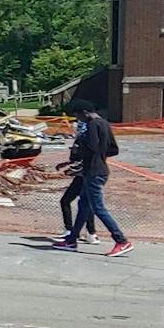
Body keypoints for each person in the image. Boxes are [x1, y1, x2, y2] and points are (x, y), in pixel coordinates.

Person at [52, 100, 132, 256]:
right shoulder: (104, 123)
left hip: (93, 172)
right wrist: (99, 156)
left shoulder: (92, 125)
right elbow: (113, 149)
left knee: (98, 208)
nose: (78, 120)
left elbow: (92, 146)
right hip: (99, 169)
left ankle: (121, 240)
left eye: (78, 116)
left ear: (84, 112)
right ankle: (72, 240)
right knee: (83, 207)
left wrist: (78, 151)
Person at [54, 119, 99, 244]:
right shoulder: (84, 141)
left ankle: (72, 231)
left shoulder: (84, 142)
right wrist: (66, 164)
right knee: (85, 204)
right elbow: (76, 160)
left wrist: (71, 170)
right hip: (83, 176)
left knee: (67, 201)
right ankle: (90, 233)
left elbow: (82, 162)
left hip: (83, 177)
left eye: (79, 127)